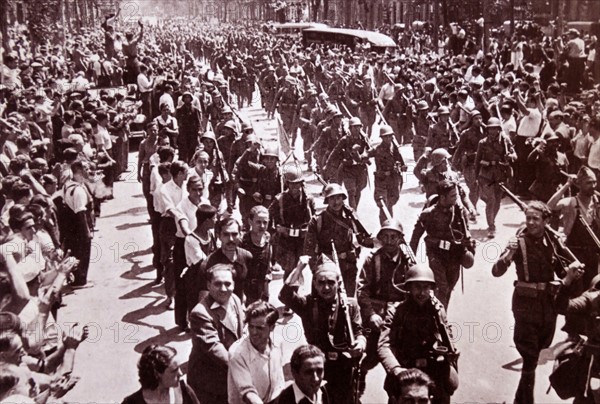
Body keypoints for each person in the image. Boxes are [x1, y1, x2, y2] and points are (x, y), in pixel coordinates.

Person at [492, 200, 584, 404]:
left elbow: (561, 271)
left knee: (539, 349)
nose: (531, 223)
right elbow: (496, 271)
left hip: (548, 305)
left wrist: (572, 272)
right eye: (528, 218)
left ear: (546, 221)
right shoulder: (518, 242)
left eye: (536, 218)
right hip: (525, 304)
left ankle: (519, 399)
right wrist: (508, 254)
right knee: (530, 354)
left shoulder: (552, 242)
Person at [279, 259, 366, 404]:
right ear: (314, 284)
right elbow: (284, 295)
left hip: (343, 365)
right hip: (317, 366)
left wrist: (360, 343)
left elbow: (359, 331)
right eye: (321, 283)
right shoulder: (307, 304)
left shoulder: (350, 305)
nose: (326, 288)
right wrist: (299, 268)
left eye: (331, 282)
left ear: (338, 284)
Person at [378, 264, 459, 404]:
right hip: (406, 370)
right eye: (417, 287)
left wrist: (450, 352)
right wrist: (396, 369)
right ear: (408, 288)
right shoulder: (397, 312)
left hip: (433, 370)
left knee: (445, 391)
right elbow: (384, 345)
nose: (421, 293)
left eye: (426, 287)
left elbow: (448, 339)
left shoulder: (438, 311)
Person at [357, 219, 410, 395]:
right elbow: (362, 290)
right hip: (377, 316)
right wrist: (370, 314)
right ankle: (359, 374)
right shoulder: (373, 259)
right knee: (371, 356)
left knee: (399, 359)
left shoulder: (408, 261)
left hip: (400, 317)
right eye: (385, 237)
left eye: (393, 237)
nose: (388, 241)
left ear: (400, 239)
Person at [547, 166, 600, 336]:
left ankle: (589, 327)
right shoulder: (571, 202)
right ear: (579, 185)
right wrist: (565, 186)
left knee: (591, 290)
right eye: (588, 183)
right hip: (574, 253)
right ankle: (573, 330)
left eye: (594, 182)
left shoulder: (597, 201)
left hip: (593, 253)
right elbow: (549, 206)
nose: (593, 186)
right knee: (575, 290)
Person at [409, 180, 475, 309]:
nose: (456, 198)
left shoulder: (460, 212)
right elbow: (415, 237)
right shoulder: (428, 214)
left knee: (449, 287)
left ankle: (442, 314)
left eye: (456, 195)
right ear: (443, 197)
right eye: (453, 196)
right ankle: (439, 319)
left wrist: (469, 250)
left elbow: (466, 233)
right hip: (436, 255)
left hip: (454, 255)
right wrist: (411, 259)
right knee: (442, 287)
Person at [188, 264, 245, 404]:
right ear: (208, 285)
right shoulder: (200, 313)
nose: (223, 289)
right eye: (218, 284)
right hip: (210, 385)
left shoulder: (235, 300)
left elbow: (241, 330)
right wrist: (244, 369)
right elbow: (214, 348)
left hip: (230, 378)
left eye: (228, 284)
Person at [303, 183, 373, 296]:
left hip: (348, 265)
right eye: (332, 198)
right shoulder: (318, 220)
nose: (336, 202)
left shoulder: (350, 217)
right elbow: (308, 249)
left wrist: (379, 241)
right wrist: (316, 271)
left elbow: (363, 239)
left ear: (343, 198)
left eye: (338, 198)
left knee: (349, 300)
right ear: (327, 200)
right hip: (327, 267)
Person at [227, 301, 285, 404]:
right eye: (251, 326)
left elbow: (279, 380)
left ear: (272, 327)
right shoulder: (237, 353)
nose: (253, 332)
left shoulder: (278, 342)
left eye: (259, 328)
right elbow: (247, 391)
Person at [475, 117, 517, 238]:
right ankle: (491, 226)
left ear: (499, 129)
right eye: (490, 129)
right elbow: (477, 161)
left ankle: (492, 220)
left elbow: (515, 155)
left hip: (500, 175)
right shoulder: (483, 142)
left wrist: (510, 156)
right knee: (491, 200)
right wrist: (476, 178)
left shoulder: (505, 140)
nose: (492, 131)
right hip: (486, 175)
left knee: (497, 201)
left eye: (495, 129)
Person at [122, 345, 199, 404]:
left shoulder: (184, 391)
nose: (180, 373)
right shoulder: (132, 402)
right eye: (174, 370)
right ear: (157, 374)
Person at [62, 161, 93, 288]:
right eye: (86, 168)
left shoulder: (69, 185)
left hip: (71, 226)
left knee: (76, 250)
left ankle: (76, 278)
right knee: (83, 251)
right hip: (79, 226)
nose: (89, 170)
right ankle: (80, 280)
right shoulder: (78, 190)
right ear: (80, 171)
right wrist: (87, 232)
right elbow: (81, 213)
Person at [368, 125, 406, 224]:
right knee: (383, 204)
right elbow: (365, 155)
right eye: (385, 137)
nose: (388, 139)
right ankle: (385, 226)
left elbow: (402, 164)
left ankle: (390, 224)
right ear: (382, 138)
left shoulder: (395, 148)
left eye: (390, 136)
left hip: (394, 179)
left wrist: (401, 167)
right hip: (382, 179)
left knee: (392, 202)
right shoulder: (377, 149)